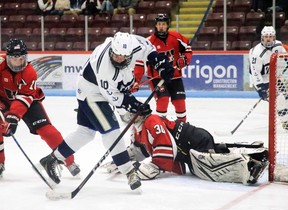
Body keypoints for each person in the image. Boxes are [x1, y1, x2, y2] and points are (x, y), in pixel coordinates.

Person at [39, 31, 175, 191]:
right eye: (115, 55)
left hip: (86, 87)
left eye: (122, 57)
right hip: (92, 95)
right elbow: (115, 97)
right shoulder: (105, 68)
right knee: (111, 131)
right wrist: (134, 105)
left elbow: (148, 48)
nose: (118, 59)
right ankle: (129, 172)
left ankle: (53, 159)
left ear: (129, 54)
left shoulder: (133, 44)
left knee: (85, 133)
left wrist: (159, 61)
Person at [102, 113, 269, 185]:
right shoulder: (138, 130)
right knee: (206, 163)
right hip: (189, 147)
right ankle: (254, 151)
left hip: (194, 142)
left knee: (208, 167)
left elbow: (165, 146)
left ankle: (249, 165)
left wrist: (155, 166)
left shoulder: (152, 121)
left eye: (128, 115)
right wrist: (122, 161)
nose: (126, 119)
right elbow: (141, 150)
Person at [0, 38, 80, 178]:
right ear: (7, 58)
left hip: (27, 101)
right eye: (14, 59)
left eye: (21, 59)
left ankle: (68, 160)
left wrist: (13, 117)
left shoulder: (30, 72)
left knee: (47, 130)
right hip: (3, 100)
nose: (18, 63)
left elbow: (24, 97)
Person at [133, 14, 193, 122]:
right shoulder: (148, 42)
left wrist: (184, 59)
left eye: (163, 24)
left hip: (175, 76)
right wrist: (136, 80)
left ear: (167, 25)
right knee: (163, 100)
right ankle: (162, 129)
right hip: (157, 78)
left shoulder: (176, 37)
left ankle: (182, 129)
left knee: (180, 103)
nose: (161, 26)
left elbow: (187, 48)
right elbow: (140, 62)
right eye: (159, 24)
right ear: (155, 26)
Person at [249, 26, 288, 130]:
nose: (268, 39)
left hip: (275, 75)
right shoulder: (256, 53)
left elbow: (285, 57)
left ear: (274, 37)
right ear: (262, 38)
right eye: (266, 36)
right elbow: (255, 72)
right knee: (279, 99)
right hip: (262, 78)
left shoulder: (278, 45)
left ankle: (285, 117)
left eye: (270, 36)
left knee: (286, 97)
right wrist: (261, 88)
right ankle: (285, 121)